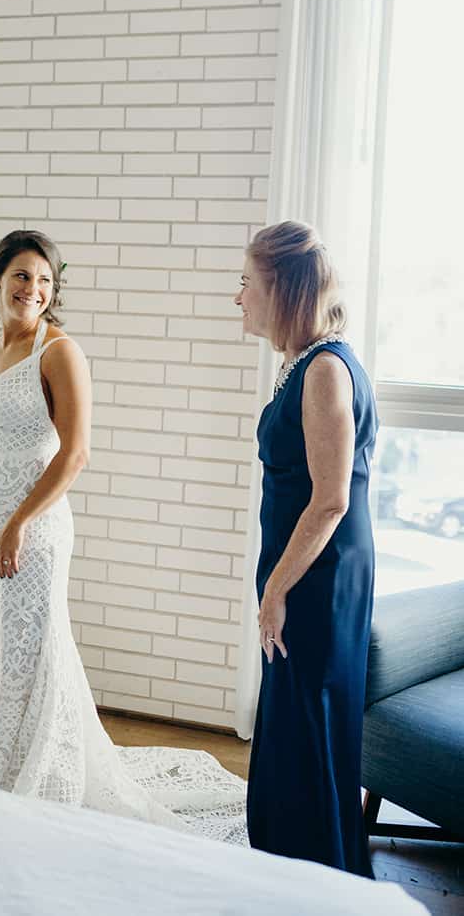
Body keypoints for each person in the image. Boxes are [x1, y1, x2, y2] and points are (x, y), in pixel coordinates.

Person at [0, 229, 247, 844]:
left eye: (45, 280)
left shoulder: (59, 353)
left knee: (29, 657)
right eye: (23, 276)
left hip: (35, 531)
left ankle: (27, 782)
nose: (34, 289)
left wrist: (18, 522)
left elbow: (75, 453)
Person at [235, 221, 377, 877]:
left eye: (246, 284)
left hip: (318, 578)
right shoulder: (308, 361)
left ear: (280, 291)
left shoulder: (323, 371)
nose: (239, 298)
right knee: (294, 716)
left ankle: (313, 876)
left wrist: (275, 589)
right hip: (308, 570)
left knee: (308, 720)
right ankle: (287, 864)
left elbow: (329, 499)